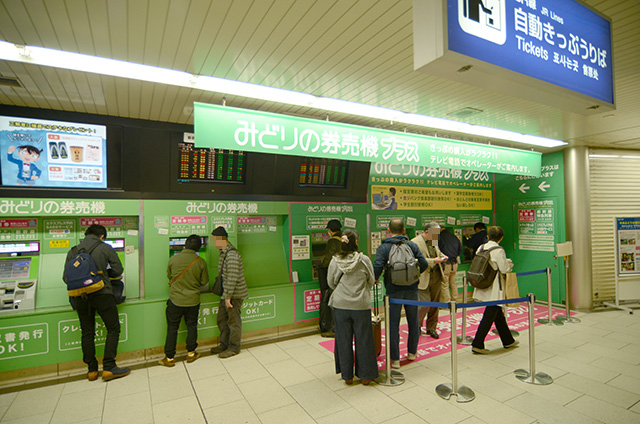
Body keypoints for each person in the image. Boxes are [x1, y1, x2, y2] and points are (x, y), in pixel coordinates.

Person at [63, 224, 129, 381]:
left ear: (86, 235)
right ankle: (109, 367)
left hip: (80, 296)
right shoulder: (105, 248)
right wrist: (104, 274)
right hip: (102, 293)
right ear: (102, 236)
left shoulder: (73, 251)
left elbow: (65, 278)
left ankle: (92, 370)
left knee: (87, 332)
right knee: (113, 328)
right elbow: (118, 270)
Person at [373, 219, 428, 369]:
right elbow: (424, 263)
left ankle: (395, 359)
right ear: (404, 230)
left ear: (388, 230)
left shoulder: (384, 247)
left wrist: (375, 279)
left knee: (393, 324)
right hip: (412, 289)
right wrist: (414, 276)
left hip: (393, 289)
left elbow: (377, 266)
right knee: (413, 321)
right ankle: (412, 353)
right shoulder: (411, 245)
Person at [328, 229, 378, 385]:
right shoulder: (364, 260)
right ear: (356, 242)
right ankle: (365, 376)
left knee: (343, 339)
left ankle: (347, 375)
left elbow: (331, 283)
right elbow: (371, 280)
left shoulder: (334, 260)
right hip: (361, 305)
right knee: (364, 340)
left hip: (341, 304)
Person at [159, 235, 210, 367]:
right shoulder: (201, 261)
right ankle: (191, 353)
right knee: (192, 326)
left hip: (175, 300)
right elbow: (204, 282)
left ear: (185, 244)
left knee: (172, 328)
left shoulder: (173, 259)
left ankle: (169, 358)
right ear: (199, 247)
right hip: (193, 300)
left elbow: (169, 276)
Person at [471, 226, 519, 354]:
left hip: (482, 285)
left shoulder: (481, 247)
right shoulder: (498, 250)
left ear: (488, 236)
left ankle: (508, 340)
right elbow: (504, 269)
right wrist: (509, 263)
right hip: (495, 288)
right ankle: (477, 343)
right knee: (489, 315)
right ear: (501, 238)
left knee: (497, 314)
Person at [210, 226, 248, 358]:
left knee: (233, 321)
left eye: (215, 240)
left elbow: (232, 277)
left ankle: (234, 347)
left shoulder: (231, 254)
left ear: (222, 239)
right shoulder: (223, 252)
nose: (214, 243)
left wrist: (227, 297)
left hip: (234, 295)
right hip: (227, 293)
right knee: (222, 319)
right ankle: (224, 344)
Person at [411, 222, 448, 339]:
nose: (436, 237)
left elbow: (438, 252)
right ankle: (416, 327)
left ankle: (431, 328)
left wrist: (443, 256)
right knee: (424, 304)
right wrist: (433, 261)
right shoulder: (414, 242)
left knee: (435, 304)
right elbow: (415, 261)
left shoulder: (433, 240)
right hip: (423, 277)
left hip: (436, 275)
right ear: (426, 232)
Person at [318, 219, 343, 337]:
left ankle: (333, 329)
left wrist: (322, 262)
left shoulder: (332, 241)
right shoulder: (345, 239)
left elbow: (327, 261)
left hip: (334, 276)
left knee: (333, 302)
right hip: (344, 277)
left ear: (330, 230)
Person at [438, 226, 463, 302]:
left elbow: (435, 250)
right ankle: (455, 300)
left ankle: (447, 302)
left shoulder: (438, 237)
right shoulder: (454, 237)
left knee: (445, 284)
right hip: (454, 263)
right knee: (453, 282)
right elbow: (460, 251)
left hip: (445, 264)